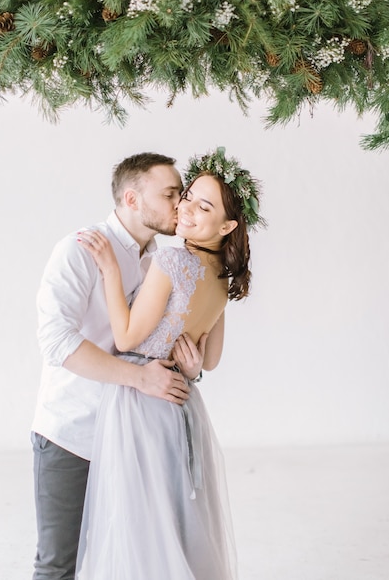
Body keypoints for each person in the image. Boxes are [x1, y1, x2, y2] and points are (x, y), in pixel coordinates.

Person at [75, 147, 264, 580]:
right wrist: (191, 366)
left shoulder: (172, 260)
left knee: (139, 525)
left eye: (204, 205)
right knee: (175, 522)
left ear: (228, 224)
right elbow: (209, 361)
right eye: (188, 197)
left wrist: (108, 268)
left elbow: (125, 337)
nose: (187, 209)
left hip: (141, 402)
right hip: (182, 406)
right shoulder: (222, 279)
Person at [31, 152, 208, 580]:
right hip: (74, 434)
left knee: (136, 561)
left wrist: (190, 366)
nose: (179, 206)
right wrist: (139, 378)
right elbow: (55, 341)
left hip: (135, 439)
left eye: (182, 195)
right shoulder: (79, 249)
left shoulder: (162, 262)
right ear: (131, 198)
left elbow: (156, 343)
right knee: (58, 565)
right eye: (169, 194)